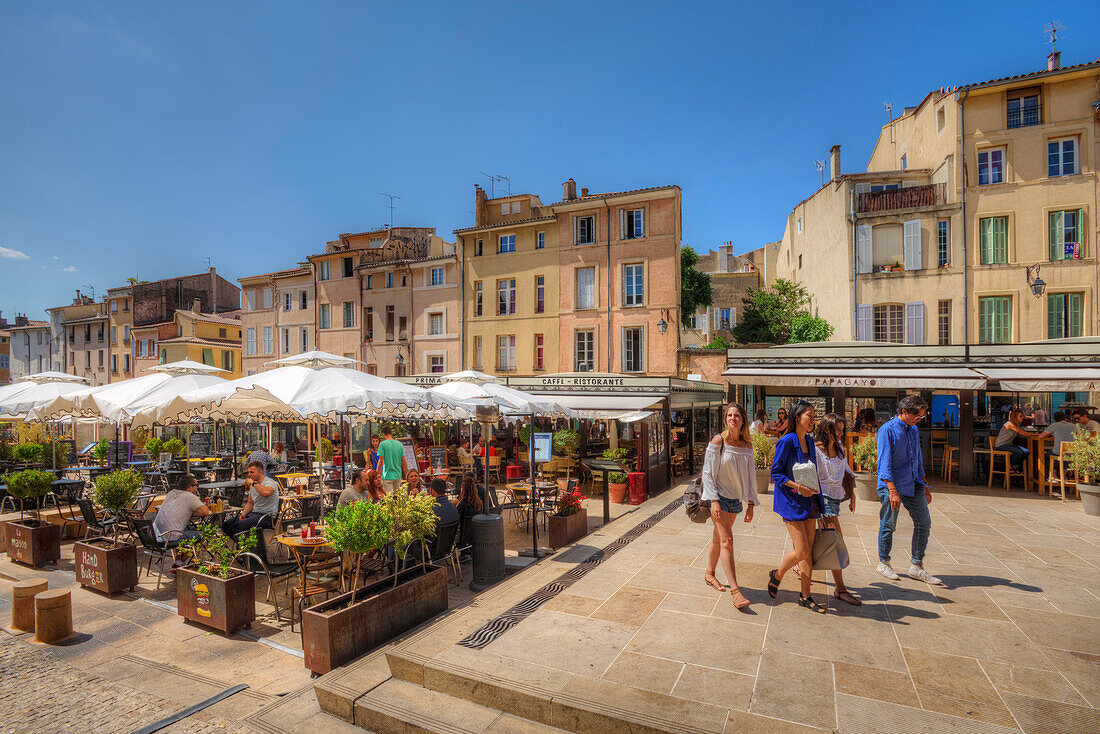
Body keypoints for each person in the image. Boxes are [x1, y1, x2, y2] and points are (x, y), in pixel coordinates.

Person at [875, 395, 941, 585]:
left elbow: (917, 458)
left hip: (913, 483)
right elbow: (884, 463)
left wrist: (924, 484)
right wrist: (892, 491)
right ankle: (883, 562)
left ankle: (916, 565)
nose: (919, 419)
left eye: (921, 416)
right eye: (917, 416)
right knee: (889, 524)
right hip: (892, 486)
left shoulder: (913, 429)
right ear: (904, 411)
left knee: (924, 522)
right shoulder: (886, 430)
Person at [767, 400, 824, 613]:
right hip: (791, 501)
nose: (813, 419)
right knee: (800, 551)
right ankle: (777, 575)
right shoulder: (787, 441)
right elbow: (776, 473)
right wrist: (799, 487)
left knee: (807, 552)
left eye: (813, 415)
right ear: (797, 417)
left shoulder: (809, 440)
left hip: (810, 500)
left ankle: (806, 596)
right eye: (809, 415)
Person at [701, 402, 757, 609]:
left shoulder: (747, 445)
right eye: (729, 415)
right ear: (726, 419)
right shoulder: (719, 441)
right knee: (728, 542)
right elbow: (707, 472)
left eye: (736, 416)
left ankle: (709, 574)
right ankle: (735, 591)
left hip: (735, 500)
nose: (732, 418)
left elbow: (751, 477)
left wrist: (751, 503)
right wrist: (713, 500)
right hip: (720, 498)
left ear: (743, 419)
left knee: (718, 539)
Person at [814, 413, 861, 606]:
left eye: (842, 429)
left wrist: (852, 494)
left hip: (835, 499)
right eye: (837, 429)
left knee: (816, 540)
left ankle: (797, 564)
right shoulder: (816, 450)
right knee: (835, 542)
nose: (841, 433)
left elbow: (847, 471)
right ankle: (840, 589)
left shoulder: (840, 448)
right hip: (821, 499)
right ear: (826, 429)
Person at [222, 461, 280, 536]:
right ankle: (242, 544)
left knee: (237, 527)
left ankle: (248, 546)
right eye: (249, 472)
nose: (249, 474)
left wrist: (253, 484)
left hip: (266, 516)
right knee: (226, 525)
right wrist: (244, 513)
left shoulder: (268, 482)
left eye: (252, 472)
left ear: (260, 472)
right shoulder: (254, 484)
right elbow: (250, 503)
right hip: (254, 513)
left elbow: (266, 493)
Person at [153, 474, 210, 545]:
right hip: (170, 538)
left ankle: (181, 554)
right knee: (205, 533)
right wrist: (192, 512)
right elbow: (205, 512)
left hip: (155, 537)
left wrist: (188, 511)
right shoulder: (190, 496)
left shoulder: (172, 493)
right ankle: (186, 555)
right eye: (197, 485)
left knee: (191, 528)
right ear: (190, 487)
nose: (197, 487)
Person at [454, 472, 482, 550]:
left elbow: (456, 520)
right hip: (475, 535)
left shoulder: (462, 504)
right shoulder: (479, 503)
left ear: (462, 489)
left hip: (463, 537)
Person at [378, 426, 407, 495]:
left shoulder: (382, 444)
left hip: (387, 475)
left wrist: (377, 473)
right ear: (391, 433)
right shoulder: (400, 444)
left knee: (389, 499)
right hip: (398, 475)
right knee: (397, 499)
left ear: (383, 434)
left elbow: (380, 461)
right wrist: (407, 474)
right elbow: (404, 462)